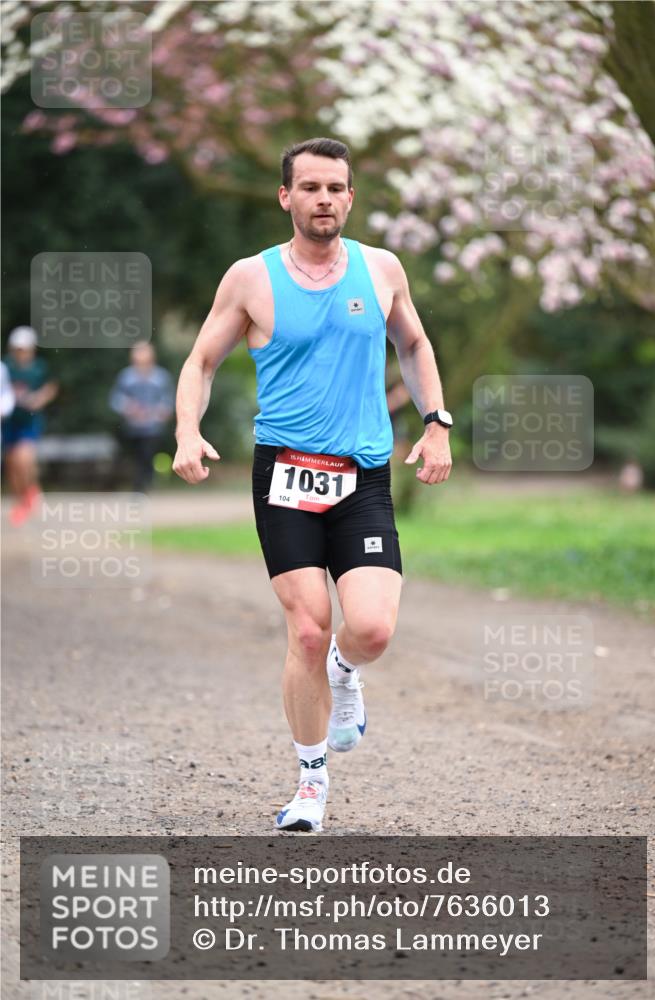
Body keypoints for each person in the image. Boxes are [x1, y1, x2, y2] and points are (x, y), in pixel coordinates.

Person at [172, 137, 453, 833]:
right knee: (304, 629)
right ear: (286, 197)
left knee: (372, 629)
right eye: (311, 187)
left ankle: (344, 668)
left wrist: (436, 420)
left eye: (336, 188)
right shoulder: (251, 279)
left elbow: (412, 344)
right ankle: (309, 780)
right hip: (285, 476)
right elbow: (201, 360)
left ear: (349, 197)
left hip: (361, 474)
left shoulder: (381, 268)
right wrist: (186, 429)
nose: (324, 199)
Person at [2, 326, 58, 526]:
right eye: (17, 349)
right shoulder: (6, 366)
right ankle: (22, 501)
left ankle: (31, 490)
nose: (21, 353)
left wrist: (39, 399)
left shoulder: (39, 368)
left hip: (29, 421)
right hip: (8, 422)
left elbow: (51, 387)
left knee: (23, 458)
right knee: (11, 464)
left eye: (24, 349)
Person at [109, 341, 175, 492]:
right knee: (136, 457)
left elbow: (168, 400)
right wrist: (128, 407)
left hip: (153, 427)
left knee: (147, 454)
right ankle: (140, 484)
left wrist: (163, 411)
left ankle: (142, 486)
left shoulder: (161, 377)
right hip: (132, 427)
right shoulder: (126, 376)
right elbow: (115, 399)